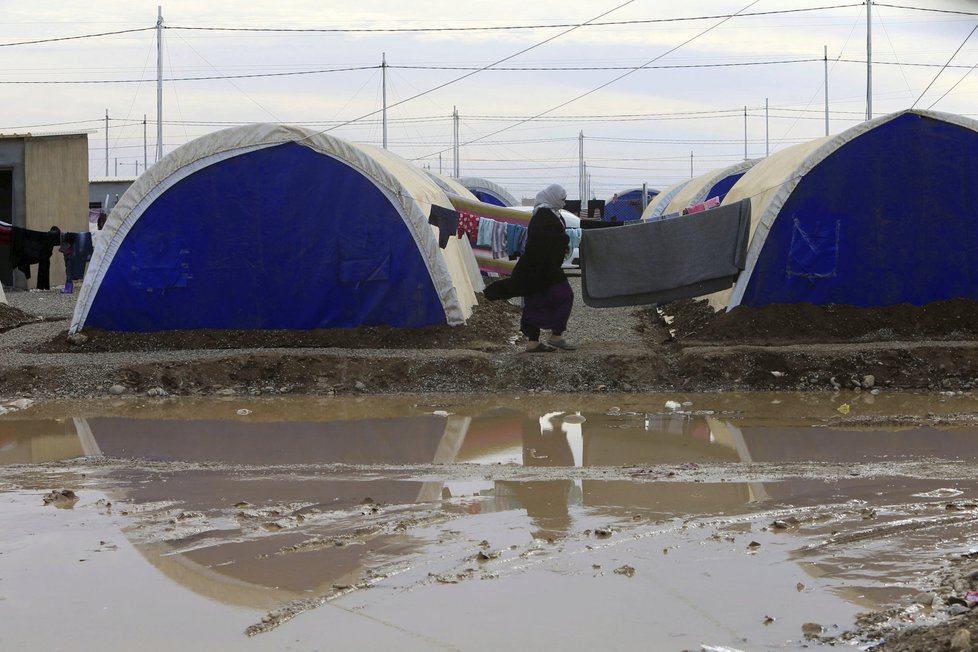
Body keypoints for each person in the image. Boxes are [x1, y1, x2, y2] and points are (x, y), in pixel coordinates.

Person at [484, 183, 576, 353]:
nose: (564, 201)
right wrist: (563, 241)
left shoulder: (549, 213)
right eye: (562, 198)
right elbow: (547, 240)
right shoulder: (544, 216)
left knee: (536, 302)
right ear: (553, 197)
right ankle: (555, 337)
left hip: (539, 268)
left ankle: (534, 343)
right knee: (564, 296)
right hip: (543, 268)